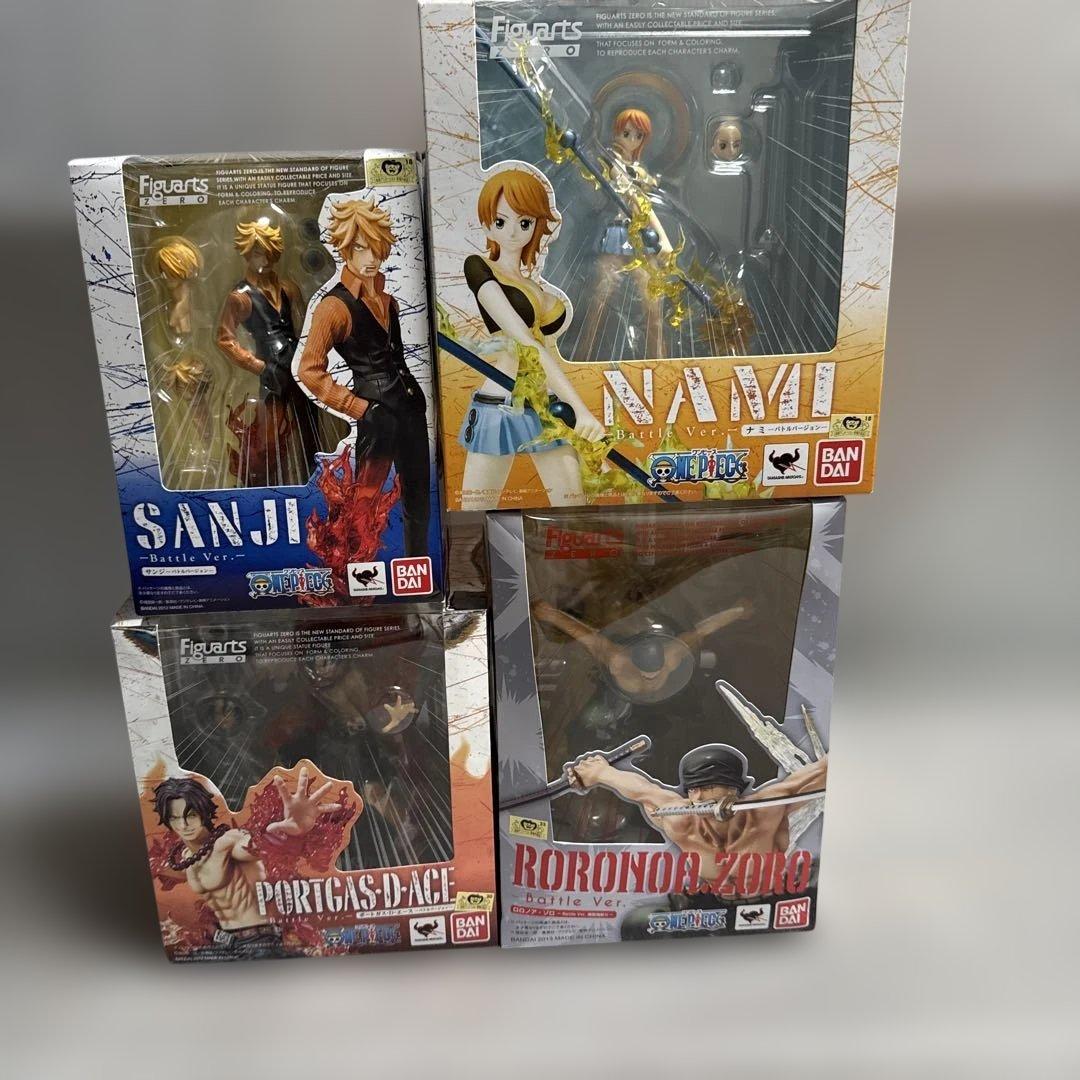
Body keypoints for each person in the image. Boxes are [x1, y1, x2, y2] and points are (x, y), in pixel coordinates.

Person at [457, 166, 605, 510]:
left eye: (524, 222)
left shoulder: (538, 288)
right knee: (476, 511)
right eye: (500, 221)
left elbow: (551, 348)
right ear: (486, 225)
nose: (512, 231)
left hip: (545, 403)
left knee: (573, 506)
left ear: (536, 224)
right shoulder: (479, 267)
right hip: (501, 402)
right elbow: (526, 343)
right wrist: (580, 409)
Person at [297, 199, 431, 556]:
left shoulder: (389, 301)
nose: (370, 258)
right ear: (344, 248)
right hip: (376, 417)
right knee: (364, 504)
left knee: (419, 498)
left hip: (411, 411)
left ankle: (418, 565)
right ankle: (356, 572)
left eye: (375, 248)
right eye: (360, 248)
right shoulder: (334, 307)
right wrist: (357, 408)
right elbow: (309, 370)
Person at [152, 768, 346, 955]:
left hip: (259, 943)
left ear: (204, 812)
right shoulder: (184, 857)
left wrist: (287, 831)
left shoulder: (228, 842)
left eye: (191, 815)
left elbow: (257, 846)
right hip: (222, 945)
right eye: (175, 818)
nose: (183, 825)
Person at [217, 219, 332, 486]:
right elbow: (224, 339)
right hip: (271, 371)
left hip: (300, 365)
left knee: (311, 430)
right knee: (269, 436)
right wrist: (258, 366)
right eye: (259, 253)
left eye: (270, 253)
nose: (265, 259)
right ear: (247, 253)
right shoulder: (240, 297)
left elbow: (305, 325)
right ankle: (268, 486)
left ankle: (316, 483)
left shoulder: (288, 288)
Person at [576, 108, 674, 361]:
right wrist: (663, 237)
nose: (631, 140)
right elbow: (637, 200)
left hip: (639, 236)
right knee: (598, 302)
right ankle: (582, 359)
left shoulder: (637, 169)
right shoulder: (612, 162)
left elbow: (643, 201)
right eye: (626, 133)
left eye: (638, 136)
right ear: (616, 132)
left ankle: (661, 363)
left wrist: (662, 239)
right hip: (617, 233)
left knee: (653, 305)